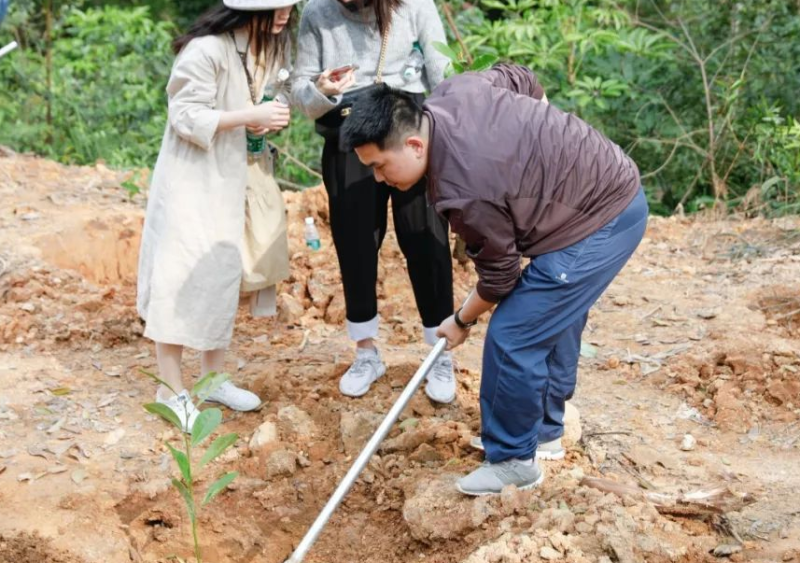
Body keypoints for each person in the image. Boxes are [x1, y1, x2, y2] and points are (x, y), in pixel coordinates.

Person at [339, 63, 648, 495]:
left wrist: (460, 321)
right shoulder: (453, 93)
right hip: (591, 196)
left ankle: (512, 463)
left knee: (514, 333)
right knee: (548, 311)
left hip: (603, 217)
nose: (377, 178)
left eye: (380, 165)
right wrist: (541, 132)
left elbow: (501, 278)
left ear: (412, 144)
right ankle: (544, 432)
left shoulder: (464, 188)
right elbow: (520, 75)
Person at [136, 0, 300, 432]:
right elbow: (186, 115)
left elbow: (269, 97)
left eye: (288, 6)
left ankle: (212, 380)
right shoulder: (206, 50)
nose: (284, 13)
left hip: (237, 178)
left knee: (221, 276)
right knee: (180, 276)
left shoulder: (268, 46)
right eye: (275, 7)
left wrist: (264, 120)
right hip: (194, 180)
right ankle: (169, 390)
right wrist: (251, 116)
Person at [291, 0, 457, 403]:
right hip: (348, 136)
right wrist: (320, 89)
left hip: (405, 129)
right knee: (355, 243)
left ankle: (440, 351)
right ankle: (365, 351)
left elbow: (443, 74)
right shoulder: (318, 13)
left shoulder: (415, 6)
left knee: (426, 238)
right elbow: (299, 91)